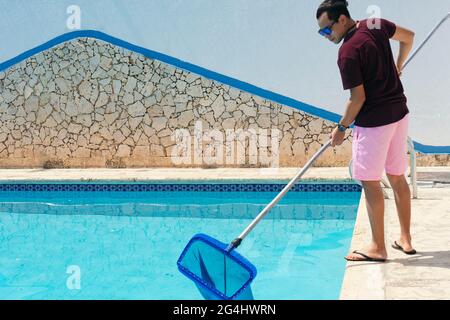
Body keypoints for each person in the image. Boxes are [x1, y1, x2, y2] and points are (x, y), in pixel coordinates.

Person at [316, 0, 417, 262]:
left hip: (375, 123)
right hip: (399, 114)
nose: (327, 37)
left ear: (341, 20)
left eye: (327, 30)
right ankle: (405, 239)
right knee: (397, 177)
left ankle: (377, 247)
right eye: (322, 33)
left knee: (370, 183)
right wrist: (399, 65)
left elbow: (357, 99)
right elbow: (409, 37)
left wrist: (341, 128)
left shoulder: (348, 52)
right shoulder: (376, 25)